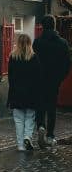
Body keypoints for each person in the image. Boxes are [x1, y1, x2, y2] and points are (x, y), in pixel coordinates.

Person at [33, 15, 71, 148]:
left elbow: (33, 63)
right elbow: (67, 64)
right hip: (54, 81)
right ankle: (50, 136)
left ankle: (41, 126)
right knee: (51, 108)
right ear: (54, 25)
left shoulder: (37, 42)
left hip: (39, 80)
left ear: (43, 26)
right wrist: (59, 78)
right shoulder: (62, 43)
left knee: (40, 106)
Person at [7, 34, 42, 151]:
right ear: (29, 43)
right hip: (31, 93)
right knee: (30, 117)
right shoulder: (34, 57)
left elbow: (10, 77)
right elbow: (38, 78)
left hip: (16, 93)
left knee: (18, 119)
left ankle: (20, 145)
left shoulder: (13, 57)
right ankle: (27, 136)